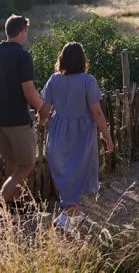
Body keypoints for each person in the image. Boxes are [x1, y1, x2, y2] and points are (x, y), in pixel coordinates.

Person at [38, 42, 114, 231]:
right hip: (81, 134)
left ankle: (73, 217)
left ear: (62, 59)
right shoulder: (88, 81)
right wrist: (107, 136)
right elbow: (97, 112)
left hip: (58, 133)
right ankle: (65, 220)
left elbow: (44, 111)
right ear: (82, 60)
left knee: (66, 174)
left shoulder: (54, 80)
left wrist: (45, 123)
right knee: (78, 173)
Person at [0, 14, 46, 221]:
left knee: (12, 162)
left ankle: (13, 208)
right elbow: (29, 91)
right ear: (22, 31)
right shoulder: (22, 55)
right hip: (17, 120)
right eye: (27, 31)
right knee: (27, 165)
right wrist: (43, 108)